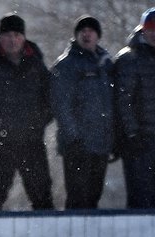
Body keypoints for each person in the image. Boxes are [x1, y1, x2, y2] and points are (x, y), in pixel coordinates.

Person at [0, 14, 54, 211]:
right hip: (0, 142)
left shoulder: (37, 65)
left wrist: (38, 123)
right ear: (0, 37)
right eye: (7, 35)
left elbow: (51, 100)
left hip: (32, 142)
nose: (12, 40)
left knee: (42, 197)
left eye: (16, 34)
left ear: (23, 37)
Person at [50, 16, 115, 210]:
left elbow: (111, 104)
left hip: (100, 144)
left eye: (91, 31)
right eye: (82, 31)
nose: (86, 35)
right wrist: (73, 138)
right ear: (76, 35)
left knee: (94, 197)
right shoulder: (66, 65)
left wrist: (112, 138)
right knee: (77, 198)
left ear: (98, 36)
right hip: (77, 146)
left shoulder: (105, 64)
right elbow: (61, 105)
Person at [114, 8, 155, 208]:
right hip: (140, 144)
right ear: (142, 30)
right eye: (150, 28)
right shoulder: (129, 59)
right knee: (141, 200)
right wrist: (132, 134)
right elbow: (123, 100)